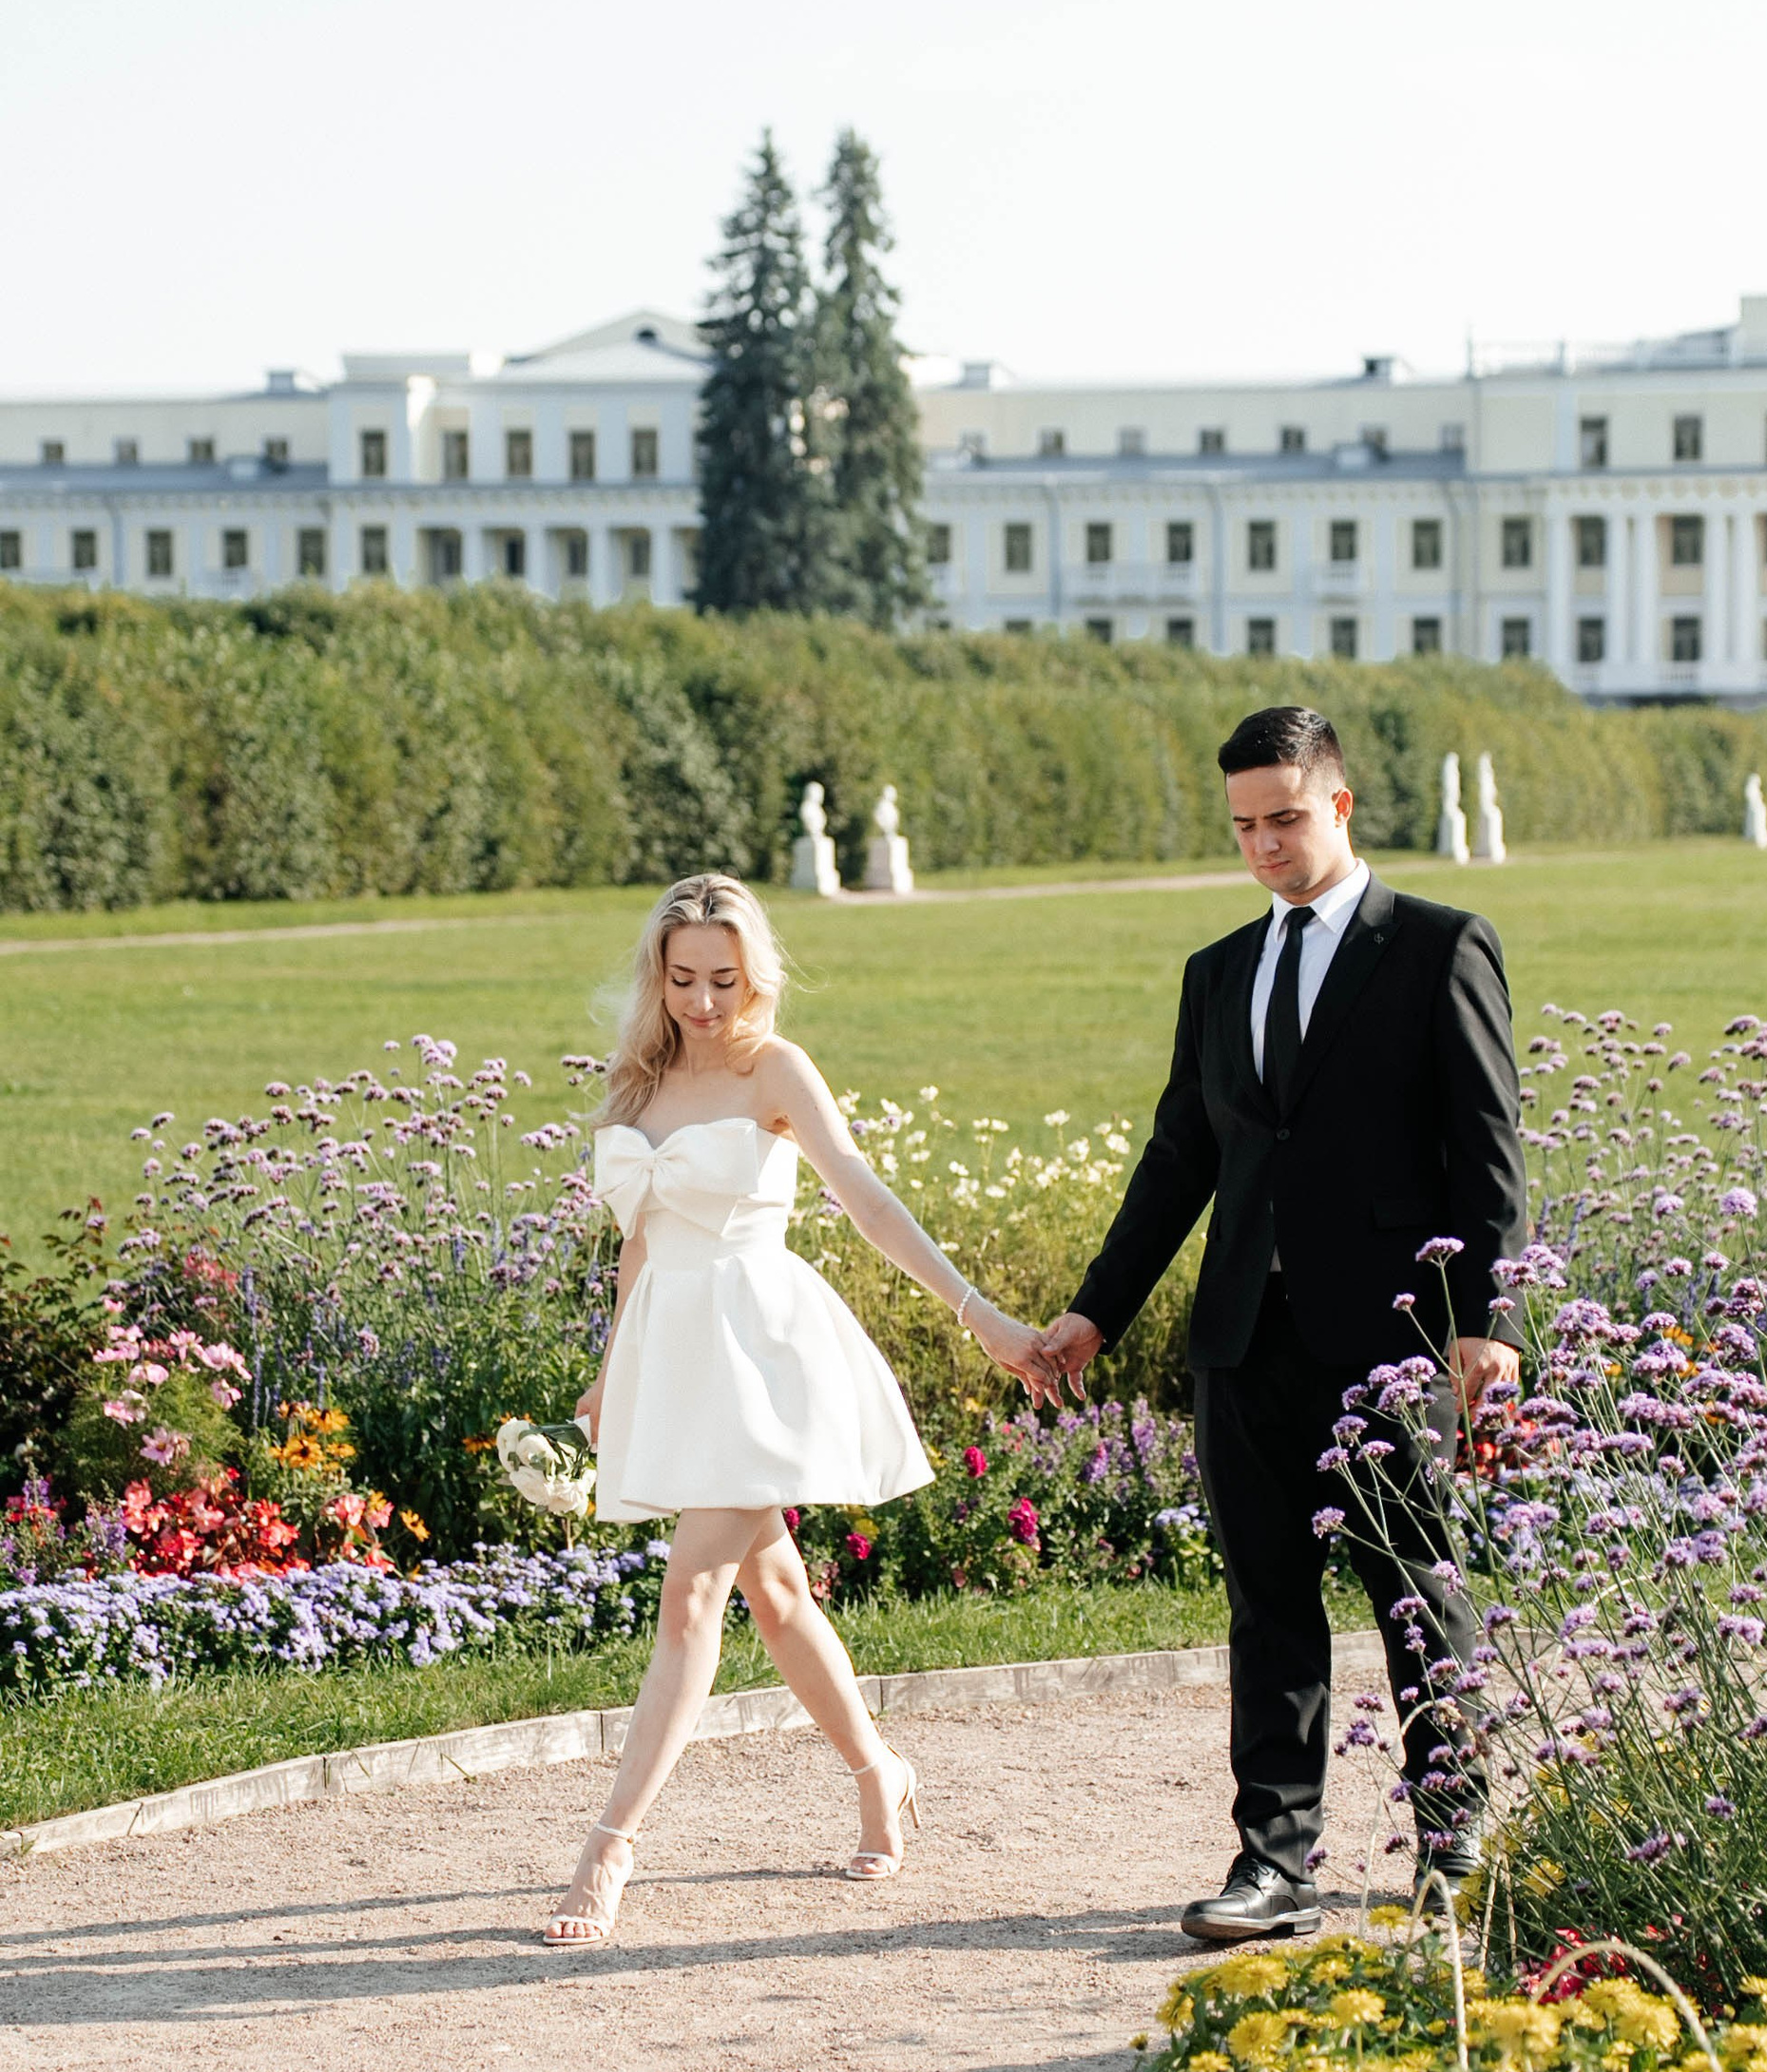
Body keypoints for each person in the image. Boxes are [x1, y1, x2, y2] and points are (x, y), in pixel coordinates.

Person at [1040, 707, 1527, 1944]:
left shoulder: (1438, 947)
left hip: (1396, 1340)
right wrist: (1097, 1311)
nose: (1263, 843)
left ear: (1342, 807)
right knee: (1269, 1606)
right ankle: (1276, 1863)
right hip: (1242, 1340)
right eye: (1245, 825)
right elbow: (1178, 1161)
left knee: (1417, 1590)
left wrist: (1486, 1322)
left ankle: (1456, 1841)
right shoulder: (1216, 973)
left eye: (1285, 819)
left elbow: (1488, 1154)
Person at [540, 873, 1056, 1947]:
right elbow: (641, 1234)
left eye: (723, 979)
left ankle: (608, 1848)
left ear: (754, 973)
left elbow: (864, 1196)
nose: (702, 1002)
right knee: (773, 1595)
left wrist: (984, 1318)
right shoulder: (635, 1085)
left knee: (692, 1599)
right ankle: (882, 1772)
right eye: (682, 979)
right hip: (674, 1357)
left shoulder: (775, 1068)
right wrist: (607, 1373)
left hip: (762, 1352)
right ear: (658, 975)